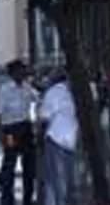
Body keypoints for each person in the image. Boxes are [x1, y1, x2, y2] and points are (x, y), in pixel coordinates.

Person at [0, 59, 38, 205]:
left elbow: (38, 98)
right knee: (10, 162)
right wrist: (1, 134)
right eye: (20, 71)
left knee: (30, 164)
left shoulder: (27, 87)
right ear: (12, 73)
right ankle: (7, 198)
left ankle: (28, 198)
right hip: (10, 130)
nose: (22, 74)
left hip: (25, 127)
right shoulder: (5, 90)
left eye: (24, 71)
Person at [39, 67, 78, 205]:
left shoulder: (83, 91)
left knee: (65, 182)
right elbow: (44, 117)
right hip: (57, 139)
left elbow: (43, 116)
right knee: (57, 182)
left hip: (70, 141)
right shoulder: (56, 92)